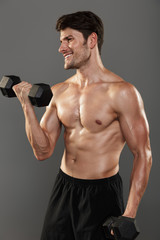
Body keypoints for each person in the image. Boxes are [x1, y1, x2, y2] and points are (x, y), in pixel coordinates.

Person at [13, 11, 152, 240]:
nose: (61, 48)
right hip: (64, 189)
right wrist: (27, 108)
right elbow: (43, 151)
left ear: (92, 40)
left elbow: (142, 154)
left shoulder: (123, 92)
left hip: (102, 194)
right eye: (61, 41)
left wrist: (129, 214)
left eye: (69, 39)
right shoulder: (59, 92)